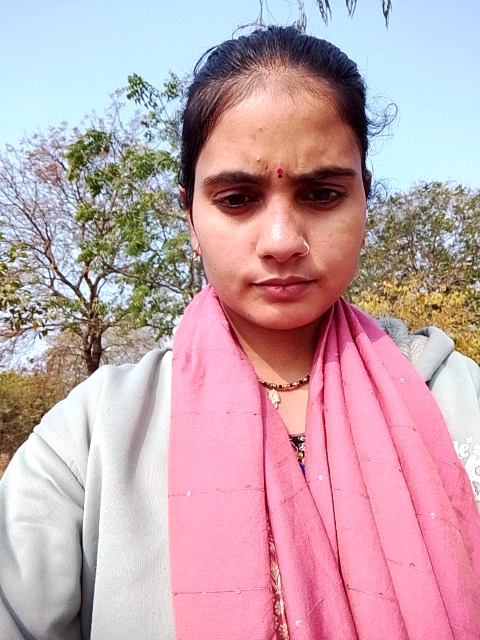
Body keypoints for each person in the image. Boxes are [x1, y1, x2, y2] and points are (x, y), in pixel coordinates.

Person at [0, 26, 479, 640]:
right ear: (190, 217)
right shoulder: (93, 437)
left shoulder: (456, 398)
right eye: (236, 199)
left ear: (365, 200)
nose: (281, 241)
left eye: (322, 194)